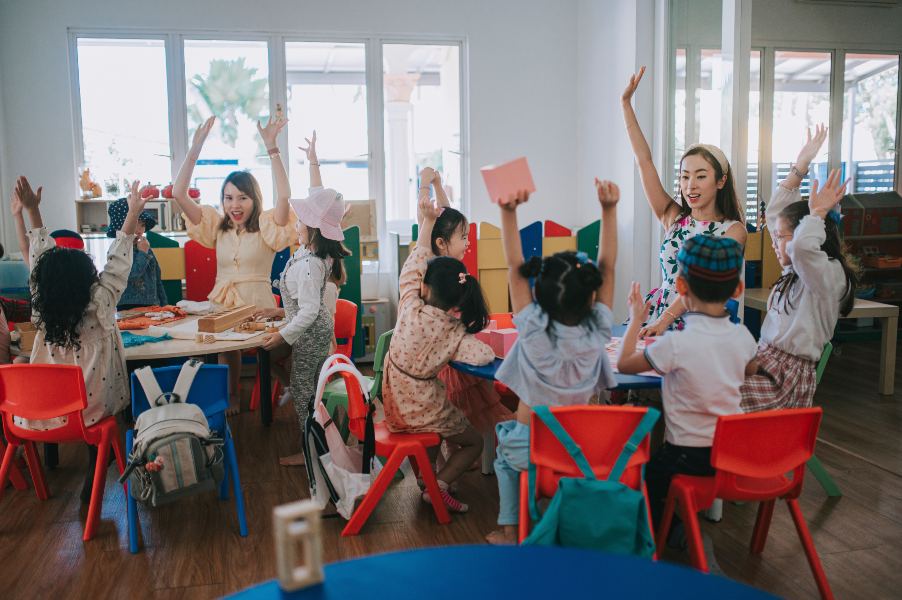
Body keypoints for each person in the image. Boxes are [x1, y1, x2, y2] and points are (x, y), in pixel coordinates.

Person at [486, 179, 619, 545]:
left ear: (540, 298)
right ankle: (564, 521)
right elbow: (608, 268)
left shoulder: (532, 329)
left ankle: (512, 531)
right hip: (581, 450)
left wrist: (508, 212)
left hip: (529, 450)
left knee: (503, 455)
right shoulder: (597, 332)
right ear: (591, 297)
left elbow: (514, 267)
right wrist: (609, 211)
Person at [617, 235, 758, 534]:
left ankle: (661, 534)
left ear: (680, 288)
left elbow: (625, 363)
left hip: (688, 455)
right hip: (734, 454)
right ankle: (675, 523)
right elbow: (750, 369)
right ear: (738, 289)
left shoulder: (676, 344)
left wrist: (635, 320)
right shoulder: (744, 337)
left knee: (646, 478)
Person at [170, 114, 296, 413]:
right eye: (228, 198)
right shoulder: (217, 226)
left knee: (277, 352)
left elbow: (286, 195)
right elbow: (177, 193)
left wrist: (272, 148)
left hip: (259, 305)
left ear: (255, 199)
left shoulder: (267, 225)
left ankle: (298, 388)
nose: (234, 205)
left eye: (242, 198)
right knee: (227, 352)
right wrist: (196, 147)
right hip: (224, 302)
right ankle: (235, 398)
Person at [381, 190, 494, 514]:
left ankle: (428, 480)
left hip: (392, 403)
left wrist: (427, 221)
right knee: (474, 441)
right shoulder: (455, 332)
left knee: (430, 430)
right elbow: (482, 357)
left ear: (425, 288)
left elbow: (415, 262)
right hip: (422, 409)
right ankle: (439, 485)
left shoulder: (409, 306)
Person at [621, 66, 746, 336]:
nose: (690, 185)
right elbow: (644, 162)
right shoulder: (673, 217)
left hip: (697, 326)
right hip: (654, 317)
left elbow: (700, 282)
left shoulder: (733, 231)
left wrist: (664, 322)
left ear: (720, 181)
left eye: (701, 176)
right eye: (685, 176)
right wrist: (626, 105)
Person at [742, 126, 859, 411]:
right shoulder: (796, 271)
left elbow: (802, 248)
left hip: (785, 380)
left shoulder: (827, 274)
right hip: (765, 363)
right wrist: (800, 165)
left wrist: (817, 213)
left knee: (708, 391)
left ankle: (710, 453)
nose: (774, 242)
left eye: (780, 238)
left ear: (811, 234)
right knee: (699, 373)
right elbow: (775, 215)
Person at [256, 131, 351, 467]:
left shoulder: (312, 263)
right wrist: (312, 161)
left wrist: (283, 333)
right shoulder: (313, 252)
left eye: (302, 220)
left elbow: (310, 310)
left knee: (305, 392)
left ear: (312, 229)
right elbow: (319, 200)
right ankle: (319, 444)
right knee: (306, 390)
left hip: (312, 334)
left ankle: (313, 451)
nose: (296, 222)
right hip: (308, 331)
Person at [417, 166, 513, 440]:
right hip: (448, 358)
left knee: (478, 401)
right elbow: (428, 220)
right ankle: (468, 446)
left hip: (457, 349)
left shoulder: (449, 261)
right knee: (466, 403)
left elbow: (445, 217)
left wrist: (437, 185)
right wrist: (425, 186)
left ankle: (474, 446)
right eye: (464, 238)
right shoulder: (434, 269)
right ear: (442, 243)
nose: (468, 243)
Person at [106, 196, 168, 310]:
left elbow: (157, 279)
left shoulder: (144, 246)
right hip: (128, 307)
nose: (140, 229)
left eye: (143, 225)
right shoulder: (117, 248)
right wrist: (142, 253)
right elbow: (130, 275)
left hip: (152, 304)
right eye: (136, 223)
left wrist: (164, 306)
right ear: (123, 225)